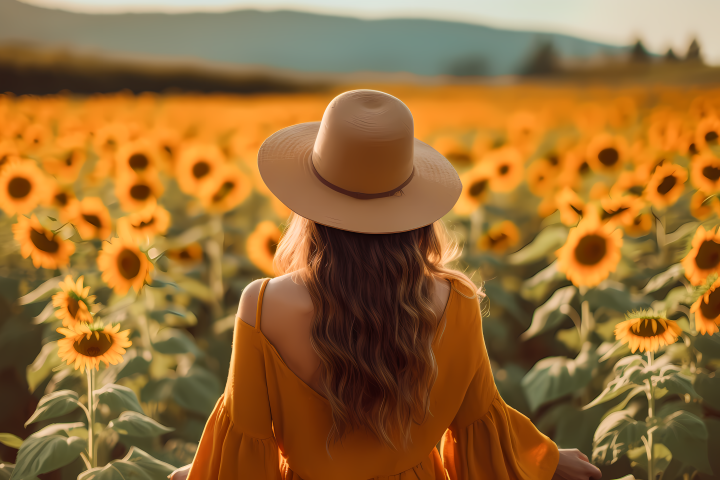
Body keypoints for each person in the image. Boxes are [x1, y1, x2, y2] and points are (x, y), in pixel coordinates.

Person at [169, 90, 602, 480]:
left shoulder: (264, 306)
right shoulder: (456, 300)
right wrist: (546, 459)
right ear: (412, 209)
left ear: (310, 205)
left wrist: (200, 470)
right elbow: (478, 429)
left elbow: (245, 447)